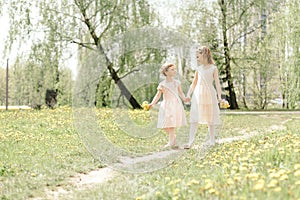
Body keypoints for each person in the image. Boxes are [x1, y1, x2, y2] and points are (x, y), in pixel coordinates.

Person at [184, 46, 222, 149]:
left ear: (204, 54)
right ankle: (190, 142)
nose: (197, 59)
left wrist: (220, 97)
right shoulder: (198, 69)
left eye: (198, 56)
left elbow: (217, 84)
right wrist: (188, 94)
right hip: (198, 95)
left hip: (209, 94)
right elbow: (194, 83)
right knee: (194, 117)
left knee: (210, 118)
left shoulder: (213, 68)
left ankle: (212, 140)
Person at [149, 63, 188, 148]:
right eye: (172, 69)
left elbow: (180, 93)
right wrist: (152, 103)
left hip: (175, 104)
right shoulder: (162, 84)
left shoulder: (177, 83)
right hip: (166, 104)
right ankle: (173, 137)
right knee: (164, 124)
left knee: (171, 124)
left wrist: (184, 99)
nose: (175, 71)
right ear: (166, 72)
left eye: (175, 69)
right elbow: (158, 95)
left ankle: (171, 143)